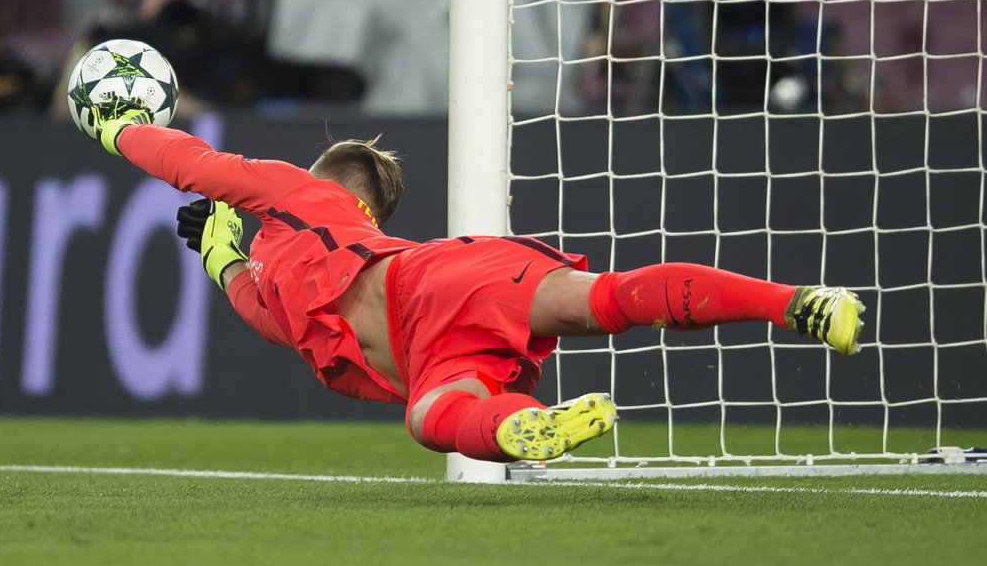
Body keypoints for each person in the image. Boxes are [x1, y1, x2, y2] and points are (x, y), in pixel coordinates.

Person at [78, 98, 865, 462]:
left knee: (571, 320)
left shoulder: (300, 195)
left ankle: (794, 303)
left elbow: (191, 163)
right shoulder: (284, 257)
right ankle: (528, 425)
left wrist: (122, 129)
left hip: (427, 285)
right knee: (440, 410)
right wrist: (222, 257)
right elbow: (270, 316)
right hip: (437, 336)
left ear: (335, 187)